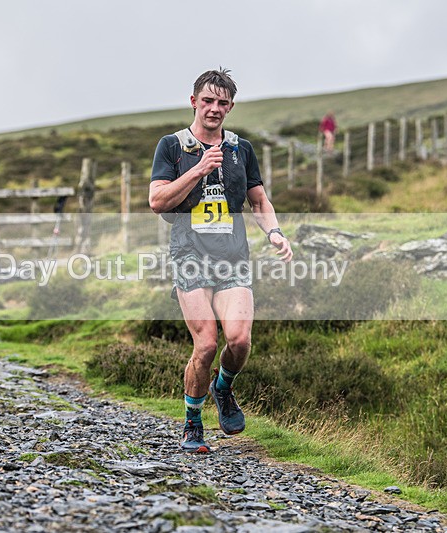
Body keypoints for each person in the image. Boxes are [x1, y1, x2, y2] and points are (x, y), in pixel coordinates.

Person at [148, 68, 293, 453]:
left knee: (240, 340)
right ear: (194, 101)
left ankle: (223, 387)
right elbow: (157, 201)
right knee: (207, 344)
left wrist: (274, 231)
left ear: (230, 107)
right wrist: (199, 169)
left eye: (222, 103)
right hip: (189, 256)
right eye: (207, 100)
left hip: (232, 257)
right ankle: (192, 422)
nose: (214, 108)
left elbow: (259, 200)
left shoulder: (240, 149)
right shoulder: (172, 146)